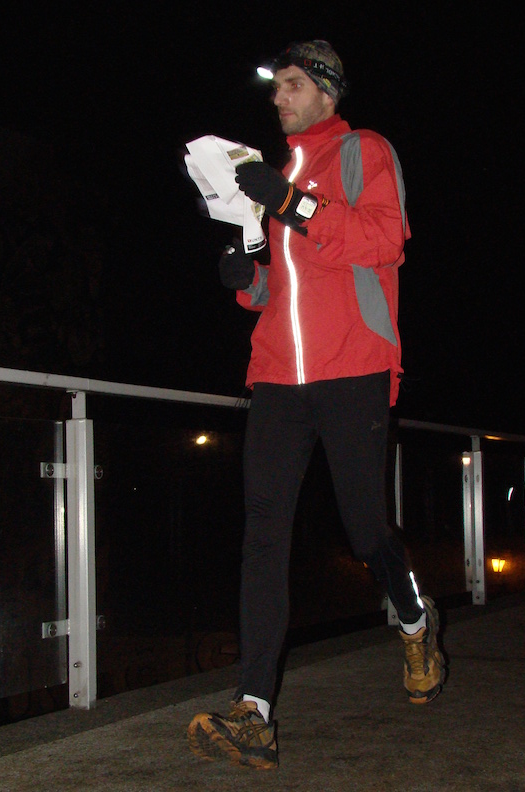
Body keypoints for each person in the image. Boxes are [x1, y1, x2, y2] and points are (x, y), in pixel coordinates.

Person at [187, 40, 445, 770]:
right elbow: (284, 288)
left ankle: (415, 620)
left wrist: (291, 203)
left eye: (293, 85)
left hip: (353, 365)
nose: (279, 98)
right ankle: (255, 711)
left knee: (365, 530)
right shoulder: (277, 176)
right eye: (276, 87)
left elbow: (384, 240)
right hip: (277, 373)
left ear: (327, 91)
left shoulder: (364, 151)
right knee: (263, 532)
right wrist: (247, 281)